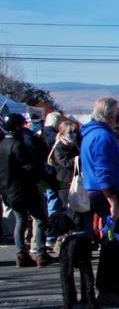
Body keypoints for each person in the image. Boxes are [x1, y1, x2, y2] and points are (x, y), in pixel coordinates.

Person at [80, 98, 119, 303]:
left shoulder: (95, 134)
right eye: (117, 113)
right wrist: (113, 200)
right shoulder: (101, 137)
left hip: (107, 193)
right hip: (108, 195)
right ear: (109, 115)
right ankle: (111, 288)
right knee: (116, 241)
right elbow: (103, 171)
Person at [0, 114, 55, 267]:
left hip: (8, 191)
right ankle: (40, 253)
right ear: (17, 127)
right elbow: (29, 167)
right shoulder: (18, 145)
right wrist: (45, 175)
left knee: (20, 221)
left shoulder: (2, 144)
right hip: (25, 189)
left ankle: (21, 254)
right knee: (39, 219)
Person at [48, 119, 82, 218]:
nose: (73, 135)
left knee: (77, 210)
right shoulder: (59, 147)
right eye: (70, 132)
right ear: (63, 133)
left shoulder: (74, 145)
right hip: (64, 182)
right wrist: (79, 158)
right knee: (70, 210)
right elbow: (65, 162)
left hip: (75, 180)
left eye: (75, 132)